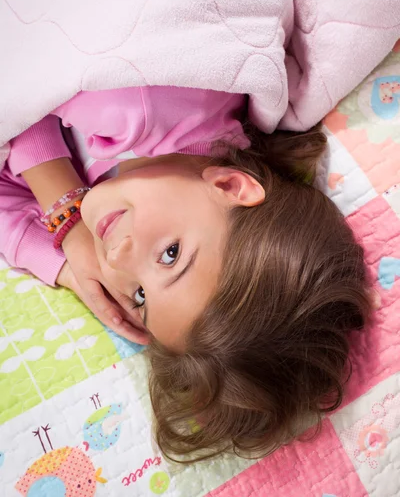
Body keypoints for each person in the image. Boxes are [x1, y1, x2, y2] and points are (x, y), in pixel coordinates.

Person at [0, 85, 371, 461]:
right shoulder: (149, 100)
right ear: (230, 186)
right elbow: (18, 76)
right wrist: (64, 211)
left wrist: (66, 264)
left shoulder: (132, 195)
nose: (115, 258)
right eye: (170, 255)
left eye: (141, 296)